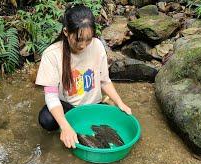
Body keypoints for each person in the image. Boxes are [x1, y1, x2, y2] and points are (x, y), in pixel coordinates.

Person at [35, 4, 131, 149]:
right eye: (78, 39)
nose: (83, 45)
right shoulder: (52, 55)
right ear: (66, 32)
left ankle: (106, 102)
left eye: (88, 39)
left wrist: (119, 102)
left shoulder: (98, 46)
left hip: (93, 104)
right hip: (68, 107)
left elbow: (105, 81)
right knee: (46, 119)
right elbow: (51, 96)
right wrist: (65, 127)